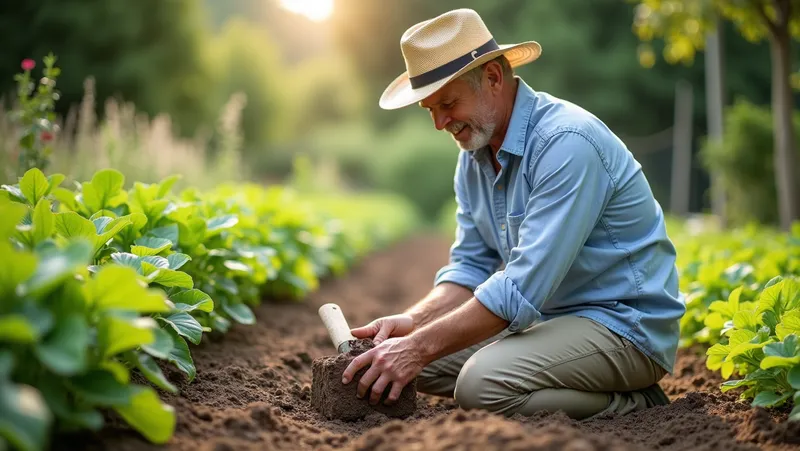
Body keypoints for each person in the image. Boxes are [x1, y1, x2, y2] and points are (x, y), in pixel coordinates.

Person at [341, 8, 686, 421]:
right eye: (429, 109)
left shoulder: (566, 144)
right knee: (409, 362)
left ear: (493, 78)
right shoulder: (473, 157)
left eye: (447, 103)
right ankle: (543, 376)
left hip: (623, 326)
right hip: (551, 319)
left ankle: (633, 404)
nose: (438, 123)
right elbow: (471, 267)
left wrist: (416, 346)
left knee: (478, 385)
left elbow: (519, 288)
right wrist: (413, 322)